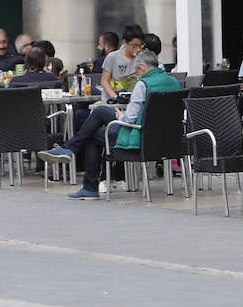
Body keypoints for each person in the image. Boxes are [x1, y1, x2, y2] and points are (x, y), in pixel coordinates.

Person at [38, 50, 180, 199]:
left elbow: (129, 120)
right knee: (100, 110)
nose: (137, 74)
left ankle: (87, 183)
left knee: (93, 136)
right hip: (167, 138)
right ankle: (69, 149)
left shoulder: (143, 85)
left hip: (139, 136)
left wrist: (120, 116)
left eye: (137, 71)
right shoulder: (174, 82)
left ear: (142, 68)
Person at [100, 24, 145, 101]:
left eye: (140, 46)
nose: (138, 49)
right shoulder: (112, 57)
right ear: (125, 42)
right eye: (134, 46)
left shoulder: (142, 59)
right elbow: (104, 81)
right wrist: (114, 97)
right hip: (112, 101)